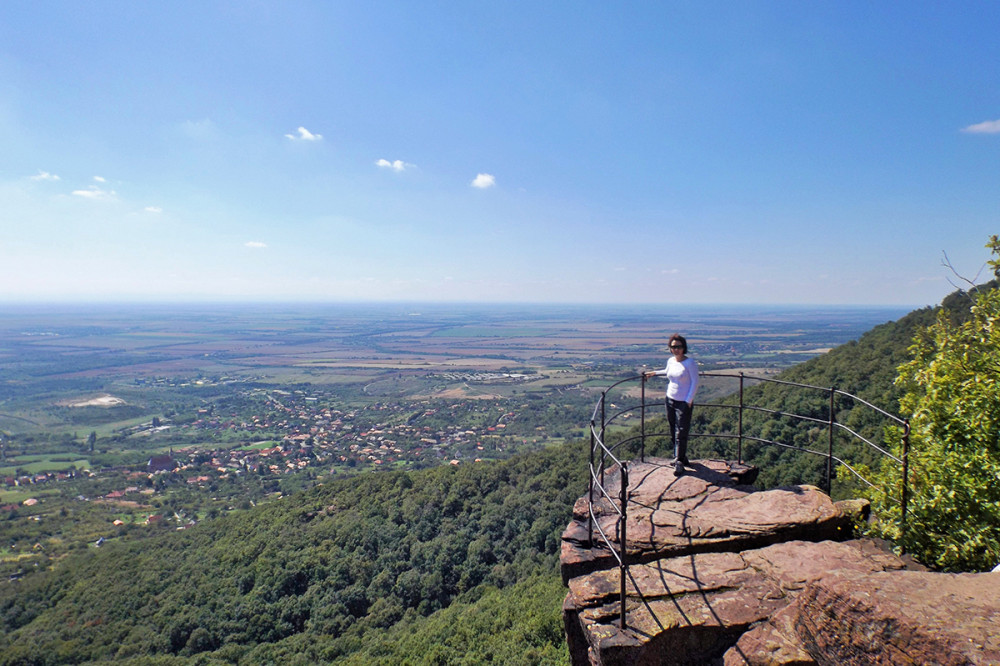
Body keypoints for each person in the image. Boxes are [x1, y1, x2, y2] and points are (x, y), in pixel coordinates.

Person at [643, 333, 699, 475]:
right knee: (673, 428)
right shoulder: (671, 361)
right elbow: (668, 372)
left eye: (679, 347)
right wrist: (654, 373)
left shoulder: (690, 363)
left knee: (681, 430)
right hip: (670, 399)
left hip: (683, 401)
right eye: (673, 347)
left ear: (684, 348)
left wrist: (688, 401)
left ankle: (679, 461)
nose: (676, 349)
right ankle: (680, 456)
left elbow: (695, 383)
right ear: (670, 348)